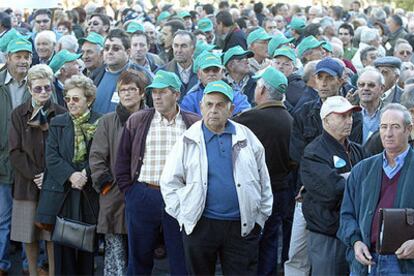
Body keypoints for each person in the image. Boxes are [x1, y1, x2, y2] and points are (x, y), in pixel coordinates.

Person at [160, 80, 273, 275]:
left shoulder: (246, 137)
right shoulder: (188, 139)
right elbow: (169, 182)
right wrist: (184, 215)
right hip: (201, 225)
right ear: (201, 107)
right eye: (209, 104)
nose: (214, 110)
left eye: (220, 105)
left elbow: (264, 181)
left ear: (231, 110)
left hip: (241, 226)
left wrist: (259, 219)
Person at [115, 70, 199, 275]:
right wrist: (131, 192)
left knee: (181, 259)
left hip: (180, 198)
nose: (157, 97)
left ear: (176, 94)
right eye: (154, 92)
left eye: (163, 92)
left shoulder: (194, 123)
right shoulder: (138, 120)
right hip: (144, 194)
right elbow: (122, 160)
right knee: (139, 259)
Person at [35, 75, 101, 275]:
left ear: (88, 100)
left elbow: (103, 155)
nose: (71, 103)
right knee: (63, 249)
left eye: (76, 99)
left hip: (88, 193)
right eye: (68, 99)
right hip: (63, 193)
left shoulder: (101, 122)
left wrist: (85, 174)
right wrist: (71, 175)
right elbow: (52, 156)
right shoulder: (58, 122)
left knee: (87, 249)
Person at [338, 103, 414, 275]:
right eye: (384, 127)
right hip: (366, 261)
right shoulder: (362, 170)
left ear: (408, 130)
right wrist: (356, 242)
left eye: (395, 127)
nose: (388, 133)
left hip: (405, 265)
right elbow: (346, 215)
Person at [234, 67, 293, 275]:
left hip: (253, 192)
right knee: (269, 241)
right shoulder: (290, 120)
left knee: (247, 241)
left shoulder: (248, 119)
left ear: (262, 91)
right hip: (281, 191)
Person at [9, 64, 66, 276]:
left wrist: (49, 176)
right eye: (38, 88)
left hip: (54, 184)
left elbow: (64, 150)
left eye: (47, 88)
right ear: (30, 88)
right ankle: (32, 272)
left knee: (51, 235)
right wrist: (35, 175)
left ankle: (52, 273)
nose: (43, 92)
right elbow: (15, 151)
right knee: (28, 235)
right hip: (26, 185)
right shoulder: (18, 114)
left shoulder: (60, 112)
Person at [90, 70, 149, 276]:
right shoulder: (107, 121)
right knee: (115, 256)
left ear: (142, 93)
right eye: (122, 90)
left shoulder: (153, 119)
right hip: (114, 194)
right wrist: (105, 184)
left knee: (142, 251)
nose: (127, 94)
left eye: (132, 89)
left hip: (145, 194)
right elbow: (96, 157)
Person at [300, 96, 365, 276]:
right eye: (342, 116)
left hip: (355, 233)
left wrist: (345, 179)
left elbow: (371, 185)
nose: (349, 121)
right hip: (328, 232)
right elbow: (331, 192)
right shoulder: (314, 152)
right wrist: (355, 181)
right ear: (326, 120)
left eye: (350, 116)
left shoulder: (358, 150)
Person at [0, 37, 33, 275]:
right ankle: (1, 263)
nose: (23, 61)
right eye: (18, 56)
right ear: (8, 58)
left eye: (27, 56)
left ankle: (29, 264)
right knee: (3, 218)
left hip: (29, 162)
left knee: (28, 216)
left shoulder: (38, 82)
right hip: (2, 160)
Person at [91, 29, 152, 114]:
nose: (110, 52)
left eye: (116, 48)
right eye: (106, 48)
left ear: (128, 52)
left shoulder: (143, 76)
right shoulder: (95, 74)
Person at [180, 51, 251, 116]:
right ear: (199, 74)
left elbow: (245, 117)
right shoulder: (190, 99)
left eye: (215, 70)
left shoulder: (236, 95)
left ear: (222, 72)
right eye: (206, 70)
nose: (211, 73)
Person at [159, 30, 198, 101]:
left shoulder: (203, 72)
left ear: (193, 49)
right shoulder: (162, 73)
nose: (179, 50)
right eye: (176, 45)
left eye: (183, 46)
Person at [356, 69, 384, 144]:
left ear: (382, 89)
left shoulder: (389, 113)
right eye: (361, 85)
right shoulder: (349, 113)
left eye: (371, 85)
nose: (365, 88)